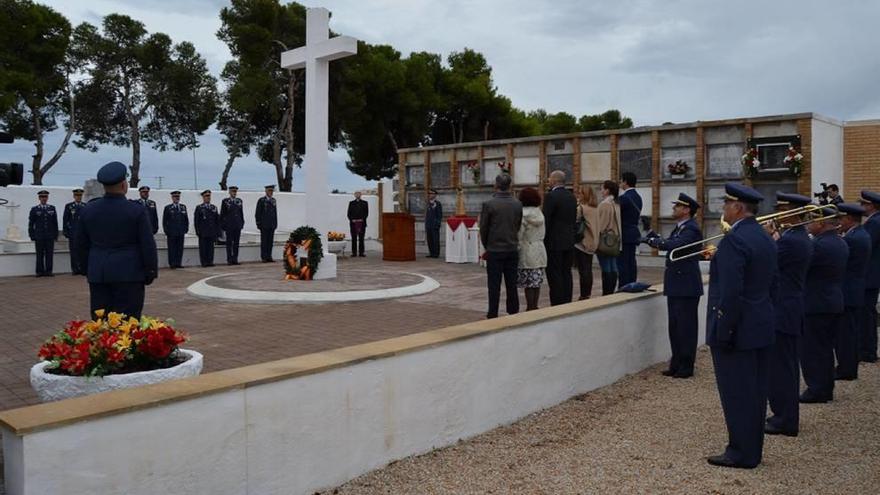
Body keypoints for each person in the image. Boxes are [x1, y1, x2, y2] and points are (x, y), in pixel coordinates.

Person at [706, 183, 777, 469]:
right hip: (760, 323)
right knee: (756, 393)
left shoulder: (735, 240)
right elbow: (773, 284)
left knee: (737, 393)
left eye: (726, 205)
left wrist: (724, 331)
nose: (724, 209)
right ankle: (751, 449)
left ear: (737, 208)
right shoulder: (764, 237)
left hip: (739, 329)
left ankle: (741, 452)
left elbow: (730, 293)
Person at [74, 161, 157, 318]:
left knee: (101, 326)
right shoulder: (136, 210)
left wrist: (86, 269)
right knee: (128, 325)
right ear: (124, 185)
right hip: (130, 275)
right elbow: (147, 245)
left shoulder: (89, 210)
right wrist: (150, 272)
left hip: (99, 274)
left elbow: (80, 245)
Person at [764, 192, 814, 437]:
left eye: (782, 210)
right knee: (787, 366)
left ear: (792, 213)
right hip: (791, 306)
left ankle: (784, 419)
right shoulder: (798, 236)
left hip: (783, 309)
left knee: (782, 368)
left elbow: (768, 264)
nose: (778, 214)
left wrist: (768, 237)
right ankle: (784, 416)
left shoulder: (790, 240)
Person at [645, 193, 703, 379]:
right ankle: (676, 363)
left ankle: (686, 366)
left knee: (686, 327)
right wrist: (656, 238)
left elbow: (676, 246)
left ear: (686, 210)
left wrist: (655, 242)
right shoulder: (680, 227)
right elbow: (672, 242)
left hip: (686, 285)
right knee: (675, 326)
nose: (674, 209)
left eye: (677, 206)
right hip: (678, 284)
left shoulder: (691, 229)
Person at [801, 206, 848, 403]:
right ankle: (825, 387)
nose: (807, 225)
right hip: (832, 300)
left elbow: (801, 267)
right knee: (825, 348)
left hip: (816, 303)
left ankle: (817, 389)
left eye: (810, 221)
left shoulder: (818, 245)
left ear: (820, 223)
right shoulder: (839, 241)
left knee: (813, 349)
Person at [834, 203, 871, 381]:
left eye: (841, 219)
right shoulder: (859, 234)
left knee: (846, 335)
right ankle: (847, 367)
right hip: (854, 289)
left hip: (848, 291)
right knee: (849, 332)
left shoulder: (853, 238)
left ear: (849, 219)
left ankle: (846, 369)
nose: (839, 222)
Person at [479, 173, 522, 319]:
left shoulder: (489, 204)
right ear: (510, 186)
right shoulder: (517, 204)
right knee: (512, 283)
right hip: (511, 248)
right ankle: (513, 310)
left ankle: (493, 312)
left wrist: (487, 245)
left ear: (496, 185)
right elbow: (517, 225)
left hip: (495, 249)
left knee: (494, 284)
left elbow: (484, 228)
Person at [542, 170, 576, 305]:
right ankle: (567, 299)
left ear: (555, 180)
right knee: (566, 272)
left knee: (554, 274)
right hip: (569, 241)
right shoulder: (571, 196)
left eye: (549, 178)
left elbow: (546, 220)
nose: (548, 181)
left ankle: (557, 302)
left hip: (554, 242)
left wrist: (544, 240)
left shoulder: (551, 197)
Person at [858, 190, 880, 363]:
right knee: (868, 313)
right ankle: (867, 348)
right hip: (872, 274)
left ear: (871, 205)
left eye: (863, 204)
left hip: (869, 275)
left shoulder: (874, 222)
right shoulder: (874, 221)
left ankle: (867, 350)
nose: (861, 207)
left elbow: (866, 245)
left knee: (866, 314)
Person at [517, 187, 547, 311]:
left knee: (528, 283)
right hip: (539, 248)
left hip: (527, 249)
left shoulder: (522, 214)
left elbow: (519, 234)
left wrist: (517, 247)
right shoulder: (539, 213)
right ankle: (535, 305)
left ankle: (530, 308)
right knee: (536, 281)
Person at [618, 171, 643, 288]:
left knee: (623, 262)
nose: (620, 183)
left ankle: (624, 284)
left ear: (625, 182)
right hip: (633, 232)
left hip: (624, 233)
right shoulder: (638, 197)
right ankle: (632, 282)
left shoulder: (624, 198)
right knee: (631, 261)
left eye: (621, 180)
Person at [596, 180, 621, 295]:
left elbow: (601, 224)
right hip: (614, 238)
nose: (601, 191)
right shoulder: (615, 203)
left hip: (605, 239)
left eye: (602, 188)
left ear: (607, 190)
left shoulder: (605, 204)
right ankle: (610, 290)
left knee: (606, 266)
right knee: (613, 265)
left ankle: (607, 292)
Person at [574, 185, 599, 300]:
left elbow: (575, 222)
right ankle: (587, 293)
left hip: (582, 243)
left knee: (583, 270)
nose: (578, 195)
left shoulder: (581, 208)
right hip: (593, 242)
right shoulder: (596, 209)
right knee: (588, 269)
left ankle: (583, 294)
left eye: (580, 193)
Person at [28, 190, 58, 277]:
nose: (44, 199)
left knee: (49, 254)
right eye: (42, 197)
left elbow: (54, 223)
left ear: (47, 198)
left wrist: (55, 235)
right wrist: (32, 235)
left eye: (45, 197)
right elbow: (31, 223)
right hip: (39, 235)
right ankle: (39, 271)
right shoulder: (34, 209)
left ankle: (49, 271)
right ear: (39, 198)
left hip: (49, 235)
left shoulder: (52, 208)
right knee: (39, 254)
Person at [62, 188, 86, 275]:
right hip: (73, 233)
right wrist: (66, 231)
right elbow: (65, 219)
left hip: (83, 233)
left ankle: (82, 268)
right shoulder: (69, 206)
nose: (78, 197)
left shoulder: (85, 206)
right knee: (74, 251)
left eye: (80, 196)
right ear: (74, 196)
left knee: (82, 251)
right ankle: (75, 269)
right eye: (77, 195)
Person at [162, 191, 188, 269]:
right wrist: (166, 230)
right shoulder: (168, 208)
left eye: (178, 197)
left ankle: (178, 263)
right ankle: (172, 263)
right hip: (172, 232)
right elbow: (164, 220)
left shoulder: (183, 207)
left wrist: (186, 228)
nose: (177, 198)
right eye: (175, 197)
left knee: (180, 248)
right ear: (172, 198)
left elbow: (185, 219)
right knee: (172, 248)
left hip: (181, 231)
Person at [194, 190, 220, 267]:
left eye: (209, 196)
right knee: (203, 248)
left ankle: (210, 261)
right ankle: (204, 262)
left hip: (211, 231)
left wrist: (217, 231)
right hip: (203, 231)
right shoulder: (199, 208)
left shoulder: (213, 207)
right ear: (203, 197)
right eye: (206, 196)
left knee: (211, 248)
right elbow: (196, 221)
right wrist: (197, 231)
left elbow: (216, 220)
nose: (208, 198)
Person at [220, 186, 244, 265]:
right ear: (229, 192)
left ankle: (235, 259)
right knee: (229, 243)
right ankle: (229, 259)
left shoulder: (239, 201)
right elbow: (223, 214)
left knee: (236, 243)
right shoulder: (225, 201)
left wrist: (242, 222)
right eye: (233, 191)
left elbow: (241, 213)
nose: (234, 193)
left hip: (237, 225)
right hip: (229, 225)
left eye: (235, 192)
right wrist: (223, 225)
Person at [256, 185, 278, 262]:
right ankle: (264, 257)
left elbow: (274, 213)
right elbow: (258, 213)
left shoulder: (273, 200)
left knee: (270, 241)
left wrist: (275, 223)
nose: (271, 192)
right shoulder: (261, 200)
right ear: (266, 191)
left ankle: (269, 256)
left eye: (272, 191)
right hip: (264, 224)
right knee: (264, 241)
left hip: (271, 224)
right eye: (269, 191)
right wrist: (258, 223)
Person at [347, 190, 368, 257]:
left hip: (362, 223)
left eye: (359, 194)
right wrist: (352, 220)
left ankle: (361, 253)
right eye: (356, 194)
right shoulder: (351, 203)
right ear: (354, 195)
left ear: (361, 195)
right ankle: (354, 253)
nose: (357, 195)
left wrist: (361, 219)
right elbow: (348, 214)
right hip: (353, 224)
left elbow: (366, 213)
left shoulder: (365, 203)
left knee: (361, 238)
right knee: (354, 238)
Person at [424, 189, 443, 258]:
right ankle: (431, 253)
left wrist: (437, 223)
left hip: (434, 225)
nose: (430, 195)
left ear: (435, 195)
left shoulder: (438, 204)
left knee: (435, 240)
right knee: (429, 240)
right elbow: (427, 215)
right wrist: (426, 224)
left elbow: (440, 215)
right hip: (428, 224)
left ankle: (436, 253)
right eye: (429, 193)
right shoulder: (428, 203)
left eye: (431, 193)